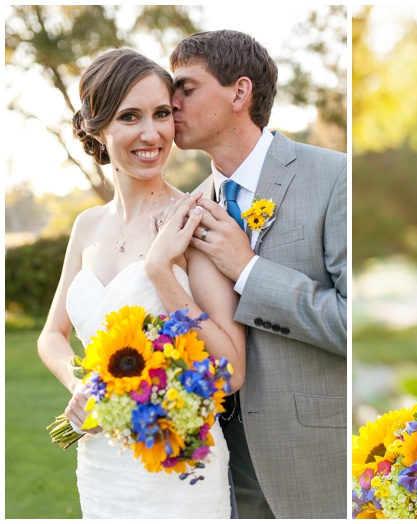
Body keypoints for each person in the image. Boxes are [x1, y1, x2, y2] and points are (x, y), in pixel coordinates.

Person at [37, 48, 246, 519]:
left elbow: (231, 371)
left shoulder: (197, 221)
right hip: (102, 466)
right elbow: (52, 334)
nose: (151, 134)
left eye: (162, 114)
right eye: (129, 116)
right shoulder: (87, 226)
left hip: (179, 471)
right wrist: (81, 385)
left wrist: (159, 273)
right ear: (98, 128)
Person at [167, 30, 347, 519]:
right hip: (217, 465)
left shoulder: (334, 178)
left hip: (313, 459)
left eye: (186, 87)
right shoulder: (189, 209)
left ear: (239, 92)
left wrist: (248, 269)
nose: (171, 101)